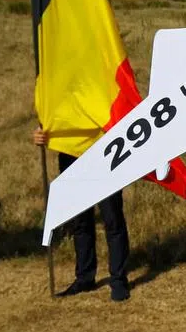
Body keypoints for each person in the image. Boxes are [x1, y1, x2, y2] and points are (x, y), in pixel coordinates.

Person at [32, 129, 131, 301]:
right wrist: (41, 133)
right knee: (80, 220)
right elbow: (52, 116)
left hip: (105, 149)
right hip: (70, 153)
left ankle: (118, 280)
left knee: (112, 218)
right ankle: (84, 277)